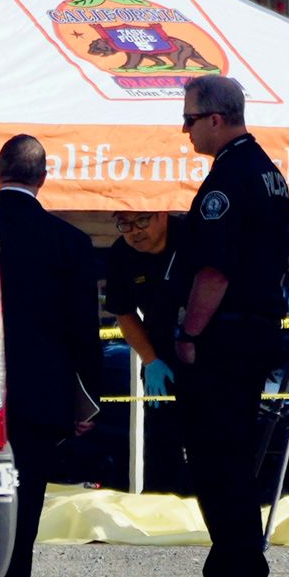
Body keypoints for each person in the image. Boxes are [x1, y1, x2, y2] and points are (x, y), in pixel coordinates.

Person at [166, 76, 289, 577]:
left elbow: (214, 269)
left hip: (225, 340)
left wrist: (189, 334)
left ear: (216, 118)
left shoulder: (230, 177)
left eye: (189, 118)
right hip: (253, 333)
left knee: (220, 470)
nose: (184, 128)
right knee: (231, 467)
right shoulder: (266, 170)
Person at [0, 134, 103, 577]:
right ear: (43, 176)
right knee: (26, 500)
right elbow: (85, 333)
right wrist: (87, 404)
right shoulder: (70, 242)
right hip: (40, 398)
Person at [104, 210, 190, 493]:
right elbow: (124, 313)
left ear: (161, 215)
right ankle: (161, 502)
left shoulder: (192, 237)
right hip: (159, 349)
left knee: (209, 437)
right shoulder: (121, 253)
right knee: (161, 437)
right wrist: (150, 359)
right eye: (124, 224)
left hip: (206, 347)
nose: (133, 231)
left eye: (141, 221)